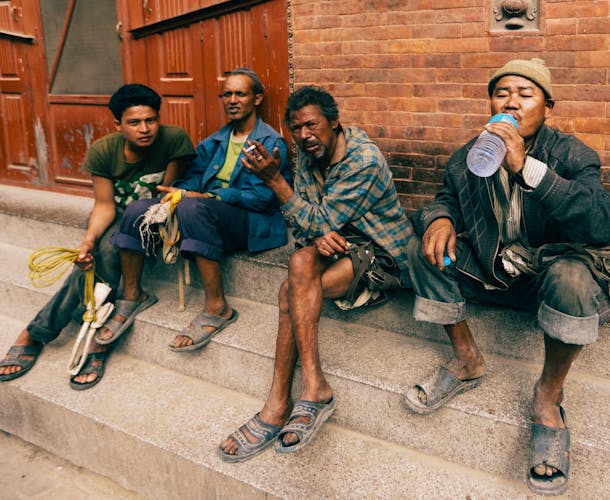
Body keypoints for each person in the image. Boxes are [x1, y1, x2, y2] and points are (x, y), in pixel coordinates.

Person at [402, 59, 610, 496]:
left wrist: (528, 168)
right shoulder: (468, 155)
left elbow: (605, 224)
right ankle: (467, 358)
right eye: (502, 93)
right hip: (493, 270)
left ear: (548, 107)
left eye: (525, 94)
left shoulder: (572, 154)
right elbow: (444, 197)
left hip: (548, 273)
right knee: (423, 250)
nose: (512, 103)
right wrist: (440, 219)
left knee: (574, 278)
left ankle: (547, 396)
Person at [217, 85, 413, 461]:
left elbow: (316, 219)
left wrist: (277, 182)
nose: (304, 136)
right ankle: (311, 387)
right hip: (337, 246)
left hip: (382, 255)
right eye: (296, 129)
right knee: (300, 263)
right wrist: (318, 231)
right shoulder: (308, 158)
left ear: (334, 122)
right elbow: (308, 228)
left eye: (312, 125)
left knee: (288, 293)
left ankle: (277, 404)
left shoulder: (362, 161)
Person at [0, 84, 196, 389]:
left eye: (151, 120)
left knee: (110, 250)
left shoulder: (174, 140)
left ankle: (43, 334)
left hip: (156, 219)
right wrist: (87, 240)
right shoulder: (104, 150)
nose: (145, 129)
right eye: (134, 123)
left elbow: (164, 198)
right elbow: (104, 205)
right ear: (117, 125)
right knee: (97, 254)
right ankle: (83, 333)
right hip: (119, 217)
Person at [106, 68, 291, 352]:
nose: (232, 99)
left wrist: (207, 195)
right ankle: (133, 295)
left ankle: (217, 307)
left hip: (249, 222)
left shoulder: (271, 143)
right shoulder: (214, 141)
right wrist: (176, 193)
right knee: (137, 210)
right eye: (227, 93)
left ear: (257, 99)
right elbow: (192, 177)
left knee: (193, 207)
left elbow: (264, 199)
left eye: (240, 93)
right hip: (204, 211)